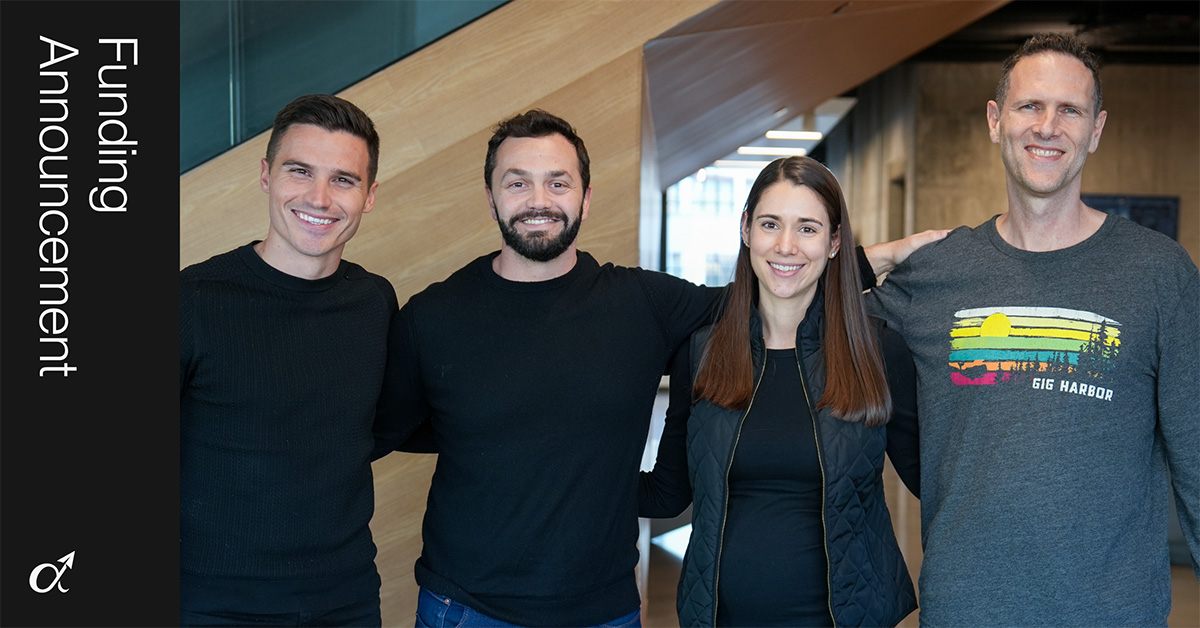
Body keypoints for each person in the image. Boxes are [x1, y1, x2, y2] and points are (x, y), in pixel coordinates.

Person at [373, 110, 939, 628]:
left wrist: (880, 257)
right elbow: (389, 429)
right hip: (465, 609)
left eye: (558, 183)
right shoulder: (433, 316)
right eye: (517, 182)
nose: (538, 199)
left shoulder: (641, 304)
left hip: (603, 610)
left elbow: (770, 288)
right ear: (491, 195)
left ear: (586, 198)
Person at [866, 33, 1199, 625]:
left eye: (1070, 109)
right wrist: (875, 258)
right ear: (996, 121)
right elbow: (792, 311)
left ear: (1095, 130)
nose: (1048, 126)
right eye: (1030, 106)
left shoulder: (1159, 273)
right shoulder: (935, 274)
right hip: (966, 609)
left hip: (1113, 614)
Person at [638, 156, 921, 627]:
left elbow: (937, 482)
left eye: (807, 228)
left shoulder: (876, 352)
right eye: (771, 224)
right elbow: (668, 494)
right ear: (746, 228)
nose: (786, 245)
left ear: (834, 242)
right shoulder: (703, 352)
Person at [180, 94, 412, 627]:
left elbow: (366, 428)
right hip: (213, 604)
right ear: (266, 175)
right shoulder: (193, 299)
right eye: (300, 171)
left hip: (346, 600)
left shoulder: (375, 301)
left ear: (369, 196)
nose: (319, 198)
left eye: (343, 179)